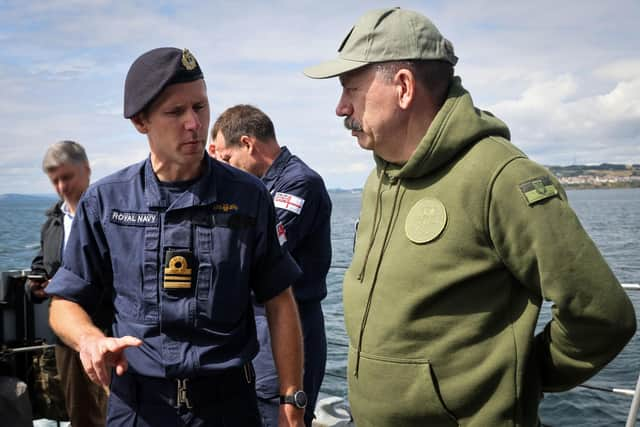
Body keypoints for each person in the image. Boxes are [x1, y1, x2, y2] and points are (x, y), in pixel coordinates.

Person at [303, 7, 637, 427]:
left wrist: (525, 376)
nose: (340, 108)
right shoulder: (379, 180)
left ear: (403, 87)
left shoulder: (502, 179)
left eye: (350, 88)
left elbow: (603, 314)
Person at [45, 47, 306, 427]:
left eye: (200, 107)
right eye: (175, 112)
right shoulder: (106, 201)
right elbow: (65, 301)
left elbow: (280, 299)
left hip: (228, 407)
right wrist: (89, 339)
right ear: (140, 121)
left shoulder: (248, 197)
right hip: (138, 408)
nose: (194, 124)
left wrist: (291, 401)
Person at [209, 105, 332, 427]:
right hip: (257, 325)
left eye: (227, 159)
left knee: (275, 415)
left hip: (289, 321)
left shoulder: (298, 184)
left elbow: (252, 254)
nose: (226, 169)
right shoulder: (258, 188)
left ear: (248, 144)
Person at [27, 140, 110, 426]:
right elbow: (42, 262)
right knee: (80, 412)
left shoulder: (111, 214)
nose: (62, 187)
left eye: (67, 177)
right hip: (66, 335)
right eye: (55, 181)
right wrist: (34, 286)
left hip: (106, 328)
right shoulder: (52, 223)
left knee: (116, 407)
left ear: (86, 170)